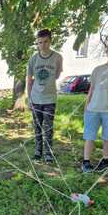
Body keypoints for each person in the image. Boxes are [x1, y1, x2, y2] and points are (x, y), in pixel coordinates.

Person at [26, 29, 63, 163]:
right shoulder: (33, 59)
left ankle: (48, 153)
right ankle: (38, 151)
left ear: (50, 41)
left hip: (50, 98)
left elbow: (57, 74)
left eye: (45, 42)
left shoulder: (58, 57)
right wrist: (29, 98)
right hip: (36, 98)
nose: (43, 45)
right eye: (40, 42)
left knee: (48, 127)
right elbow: (29, 80)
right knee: (37, 126)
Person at [82, 40, 108, 173]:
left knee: (107, 138)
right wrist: (86, 107)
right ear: (106, 51)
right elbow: (91, 90)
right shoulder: (98, 70)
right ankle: (86, 162)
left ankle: (105, 161)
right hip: (93, 110)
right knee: (90, 136)